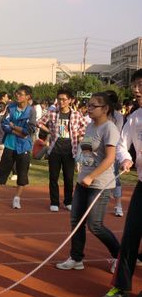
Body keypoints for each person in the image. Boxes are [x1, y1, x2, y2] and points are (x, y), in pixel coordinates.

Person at [55, 92, 121, 272]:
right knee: (76, 221)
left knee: (95, 225)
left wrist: (92, 176)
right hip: (83, 182)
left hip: (99, 185)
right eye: (88, 105)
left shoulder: (109, 128)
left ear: (105, 108)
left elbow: (110, 159)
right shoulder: (91, 126)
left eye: (93, 106)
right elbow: (87, 151)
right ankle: (76, 258)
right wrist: (81, 167)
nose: (89, 108)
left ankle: (120, 256)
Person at [99, 70, 142, 297]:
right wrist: (126, 159)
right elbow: (123, 145)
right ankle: (121, 287)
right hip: (141, 186)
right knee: (129, 237)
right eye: (135, 85)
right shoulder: (135, 117)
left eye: (141, 85)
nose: (136, 90)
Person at [0, 85, 36, 209]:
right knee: (2, 170)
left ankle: (17, 198)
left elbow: (30, 130)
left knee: (22, 173)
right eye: (16, 93)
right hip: (10, 144)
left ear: (28, 97)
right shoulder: (10, 107)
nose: (17, 95)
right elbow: (4, 124)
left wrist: (14, 127)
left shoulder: (31, 111)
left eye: (20, 94)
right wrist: (17, 131)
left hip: (24, 147)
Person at [38, 88, 87, 212]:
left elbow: (85, 126)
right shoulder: (52, 113)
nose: (61, 102)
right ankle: (54, 202)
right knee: (53, 177)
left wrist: (79, 135)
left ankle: (68, 201)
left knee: (69, 178)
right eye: (59, 99)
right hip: (54, 150)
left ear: (70, 100)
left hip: (70, 150)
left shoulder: (76, 114)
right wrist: (49, 131)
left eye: (64, 99)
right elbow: (39, 122)